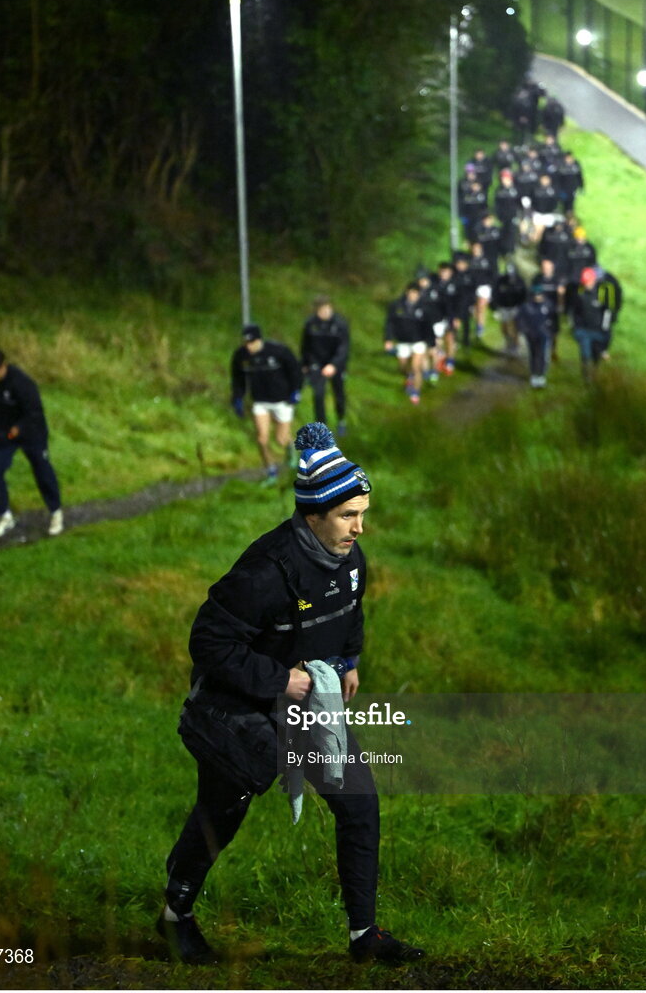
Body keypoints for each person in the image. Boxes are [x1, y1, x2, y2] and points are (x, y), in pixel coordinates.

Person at [159, 422, 424, 966]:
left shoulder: (350, 560)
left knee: (359, 804)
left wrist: (348, 662)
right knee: (221, 812)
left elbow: (350, 614)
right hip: (242, 706)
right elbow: (207, 641)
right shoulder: (264, 571)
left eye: (363, 514)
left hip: (311, 708)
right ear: (313, 515)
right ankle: (174, 918)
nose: (360, 528)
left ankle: (363, 937)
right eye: (349, 515)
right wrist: (280, 679)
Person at [0, 348, 63, 538]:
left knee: (42, 470)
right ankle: (5, 516)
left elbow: (35, 412)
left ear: (3, 367)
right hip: (4, 433)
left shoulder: (23, 384)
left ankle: (56, 512)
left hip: (32, 432)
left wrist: (19, 428)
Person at [231, 324, 303, 485]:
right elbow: (237, 378)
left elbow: (295, 371)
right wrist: (237, 398)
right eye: (246, 343)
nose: (248, 346)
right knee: (262, 439)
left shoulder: (278, 351)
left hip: (282, 400)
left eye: (252, 342)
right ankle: (271, 471)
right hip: (260, 401)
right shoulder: (241, 356)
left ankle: (290, 448)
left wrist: (296, 391)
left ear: (259, 340)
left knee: (280, 439)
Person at [300, 296, 350, 435]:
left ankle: (341, 419)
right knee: (318, 394)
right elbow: (305, 345)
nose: (325, 312)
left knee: (338, 394)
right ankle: (322, 428)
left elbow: (344, 347)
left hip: (335, 364)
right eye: (321, 310)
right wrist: (305, 364)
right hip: (317, 363)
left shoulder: (340, 324)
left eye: (327, 309)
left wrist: (334, 365)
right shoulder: (311, 324)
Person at [384, 281, 435, 404]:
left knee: (416, 367)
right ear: (407, 292)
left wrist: (431, 344)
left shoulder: (424, 307)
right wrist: (388, 339)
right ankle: (409, 376)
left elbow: (429, 326)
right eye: (411, 292)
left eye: (415, 293)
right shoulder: (397, 305)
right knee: (402, 367)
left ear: (419, 294)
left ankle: (416, 392)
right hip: (403, 341)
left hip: (419, 341)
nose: (413, 295)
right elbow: (390, 323)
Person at [514, 285, 559, 388]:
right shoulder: (526, 306)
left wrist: (553, 331)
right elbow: (519, 320)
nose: (537, 297)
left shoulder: (548, 305)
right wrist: (524, 330)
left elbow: (554, 319)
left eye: (539, 294)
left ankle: (541, 375)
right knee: (533, 354)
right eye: (535, 295)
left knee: (542, 354)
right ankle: (534, 374)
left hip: (544, 334)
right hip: (531, 335)